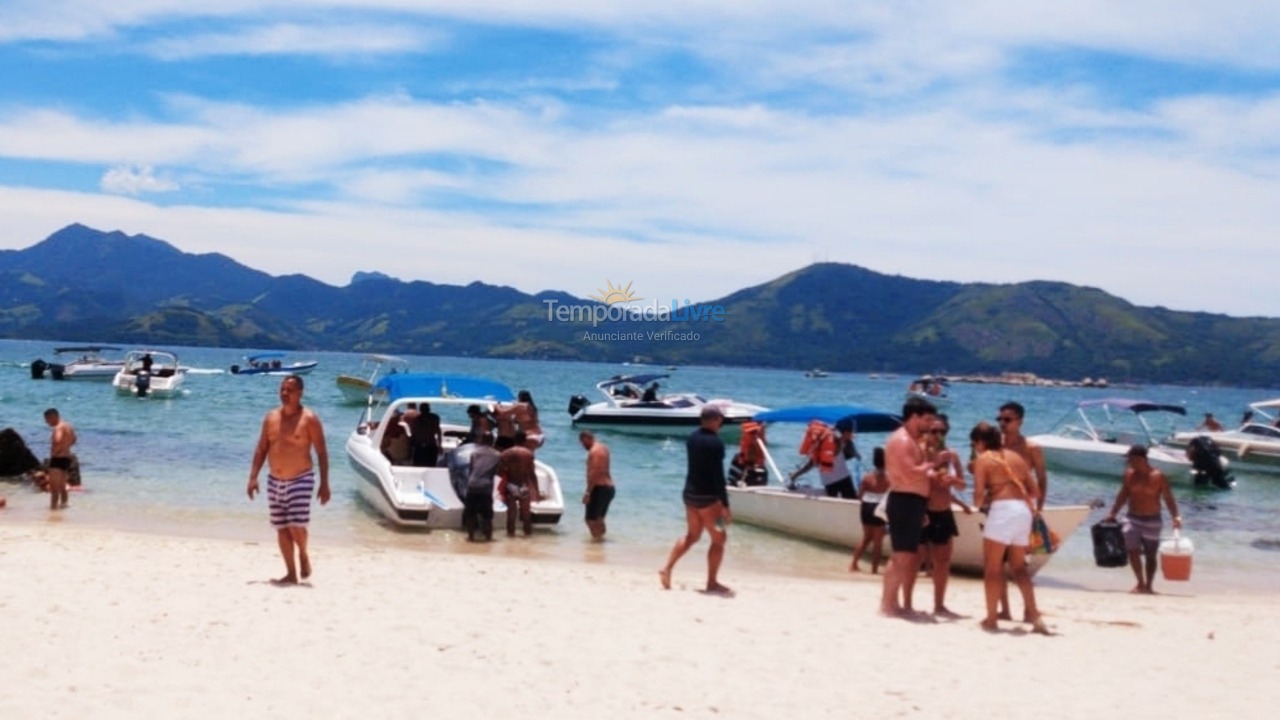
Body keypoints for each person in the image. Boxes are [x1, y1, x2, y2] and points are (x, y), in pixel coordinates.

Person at [246, 375, 331, 585]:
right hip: (275, 480)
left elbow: (321, 452)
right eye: (282, 389)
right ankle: (292, 573)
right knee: (281, 527)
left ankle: (302, 553)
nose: (285, 394)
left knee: (295, 525)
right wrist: (253, 477)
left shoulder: (309, 419)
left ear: (300, 393)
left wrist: (324, 483)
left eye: (289, 390)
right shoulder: (271, 418)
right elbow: (261, 448)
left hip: (301, 478)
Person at [970, 421, 1048, 634]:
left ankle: (992, 618)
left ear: (980, 442)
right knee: (1019, 567)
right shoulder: (1017, 458)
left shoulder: (984, 459)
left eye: (974, 443)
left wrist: (986, 499)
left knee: (992, 567)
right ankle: (1033, 614)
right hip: (1022, 512)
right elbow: (1035, 492)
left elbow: (977, 497)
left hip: (1002, 512)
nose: (975, 448)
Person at [659, 405, 732, 595]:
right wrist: (725, 505)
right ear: (715, 419)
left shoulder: (692, 438)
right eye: (721, 419)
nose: (722, 423)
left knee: (692, 536)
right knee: (719, 539)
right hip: (708, 499)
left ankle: (667, 568)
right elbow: (718, 476)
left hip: (690, 495)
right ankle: (712, 583)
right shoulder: (716, 443)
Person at [879, 396, 941, 618]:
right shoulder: (903, 440)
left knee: (903, 555)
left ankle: (891, 602)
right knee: (901, 555)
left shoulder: (913, 440)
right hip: (904, 500)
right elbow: (909, 472)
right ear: (914, 417)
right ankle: (887, 604)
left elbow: (915, 473)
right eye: (926, 419)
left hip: (912, 501)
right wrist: (932, 463)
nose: (929, 424)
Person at [1106, 445, 1182, 594]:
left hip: (1153, 519)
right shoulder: (1129, 474)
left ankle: (1149, 586)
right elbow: (1123, 495)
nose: (1129, 462)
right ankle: (1140, 583)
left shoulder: (1158, 476)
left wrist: (1175, 517)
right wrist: (1113, 513)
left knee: (1151, 555)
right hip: (1132, 517)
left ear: (1141, 459)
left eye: (1131, 459)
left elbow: (1168, 498)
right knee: (1132, 549)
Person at [920, 415, 970, 618]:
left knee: (942, 562)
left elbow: (962, 485)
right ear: (926, 432)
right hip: (922, 510)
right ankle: (903, 601)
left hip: (943, 511)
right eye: (934, 431)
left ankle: (939, 604)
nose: (938, 436)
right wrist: (933, 464)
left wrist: (954, 479)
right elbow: (912, 478)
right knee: (913, 560)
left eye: (943, 432)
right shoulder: (920, 453)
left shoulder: (952, 455)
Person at [789, 418, 859, 498]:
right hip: (843, 478)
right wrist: (844, 442)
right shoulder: (838, 442)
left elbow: (812, 463)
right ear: (846, 432)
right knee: (851, 503)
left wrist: (796, 474)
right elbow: (841, 453)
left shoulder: (824, 444)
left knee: (833, 505)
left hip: (828, 481)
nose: (852, 435)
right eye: (850, 432)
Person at [851, 446, 889, 573]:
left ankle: (853, 564)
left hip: (867, 506)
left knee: (866, 537)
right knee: (878, 542)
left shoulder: (867, 477)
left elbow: (859, 496)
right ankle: (874, 570)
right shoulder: (890, 478)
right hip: (879, 508)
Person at [497, 430, 539, 536]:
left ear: (514, 439)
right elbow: (532, 474)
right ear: (525, 440)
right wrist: (536, 490)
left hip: (511, 485)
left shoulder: (505, 453)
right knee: (526, 515)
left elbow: (499, 472)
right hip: (523, 486)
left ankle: (510, 538)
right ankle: (527, 538)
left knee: (511, 514)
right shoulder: (528, 454)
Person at [462, 433, 501, 541]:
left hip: (472, 484)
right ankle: (488, 538)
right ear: (493, 441)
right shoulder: (497, 455)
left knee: (470, 514)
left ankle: (470, 537)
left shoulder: (474, 453)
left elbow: (471, 469)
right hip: (486, 487)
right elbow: (498, 471)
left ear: (482, 440)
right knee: (487, 516)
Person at [579, 430, 616, 540]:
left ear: (587, 438)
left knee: (590, 520)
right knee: (599, 518)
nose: (582, 446)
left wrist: (588, 492)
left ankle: (597, 542)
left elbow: (594, 473)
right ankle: (601, 542)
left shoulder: (594, 451)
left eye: (582, 442)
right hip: (608, 488)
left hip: (599, 488)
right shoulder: (604, 448)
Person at [43, 408, 77, 510]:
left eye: (47, 420)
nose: (47, 423)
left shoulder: (58, 427)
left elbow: (58, 440)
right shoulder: (68, 426)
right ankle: (64, 506)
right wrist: (66, 448)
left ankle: (53, 510)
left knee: (54, 489)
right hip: (66, 458)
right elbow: (74, 439)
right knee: (63, 487)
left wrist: (56, 451)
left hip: (57, 459)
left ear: (53, 417)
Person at [410, 402, 443, 467]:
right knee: (430, 466)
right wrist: (439, 445)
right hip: (430, 446)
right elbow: (438, 432)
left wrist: (411, 447)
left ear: (420, 409)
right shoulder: (434, 418)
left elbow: (413, 434)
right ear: (429, 409)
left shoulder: (416, 419)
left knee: (418, 466)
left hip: (421, 447)